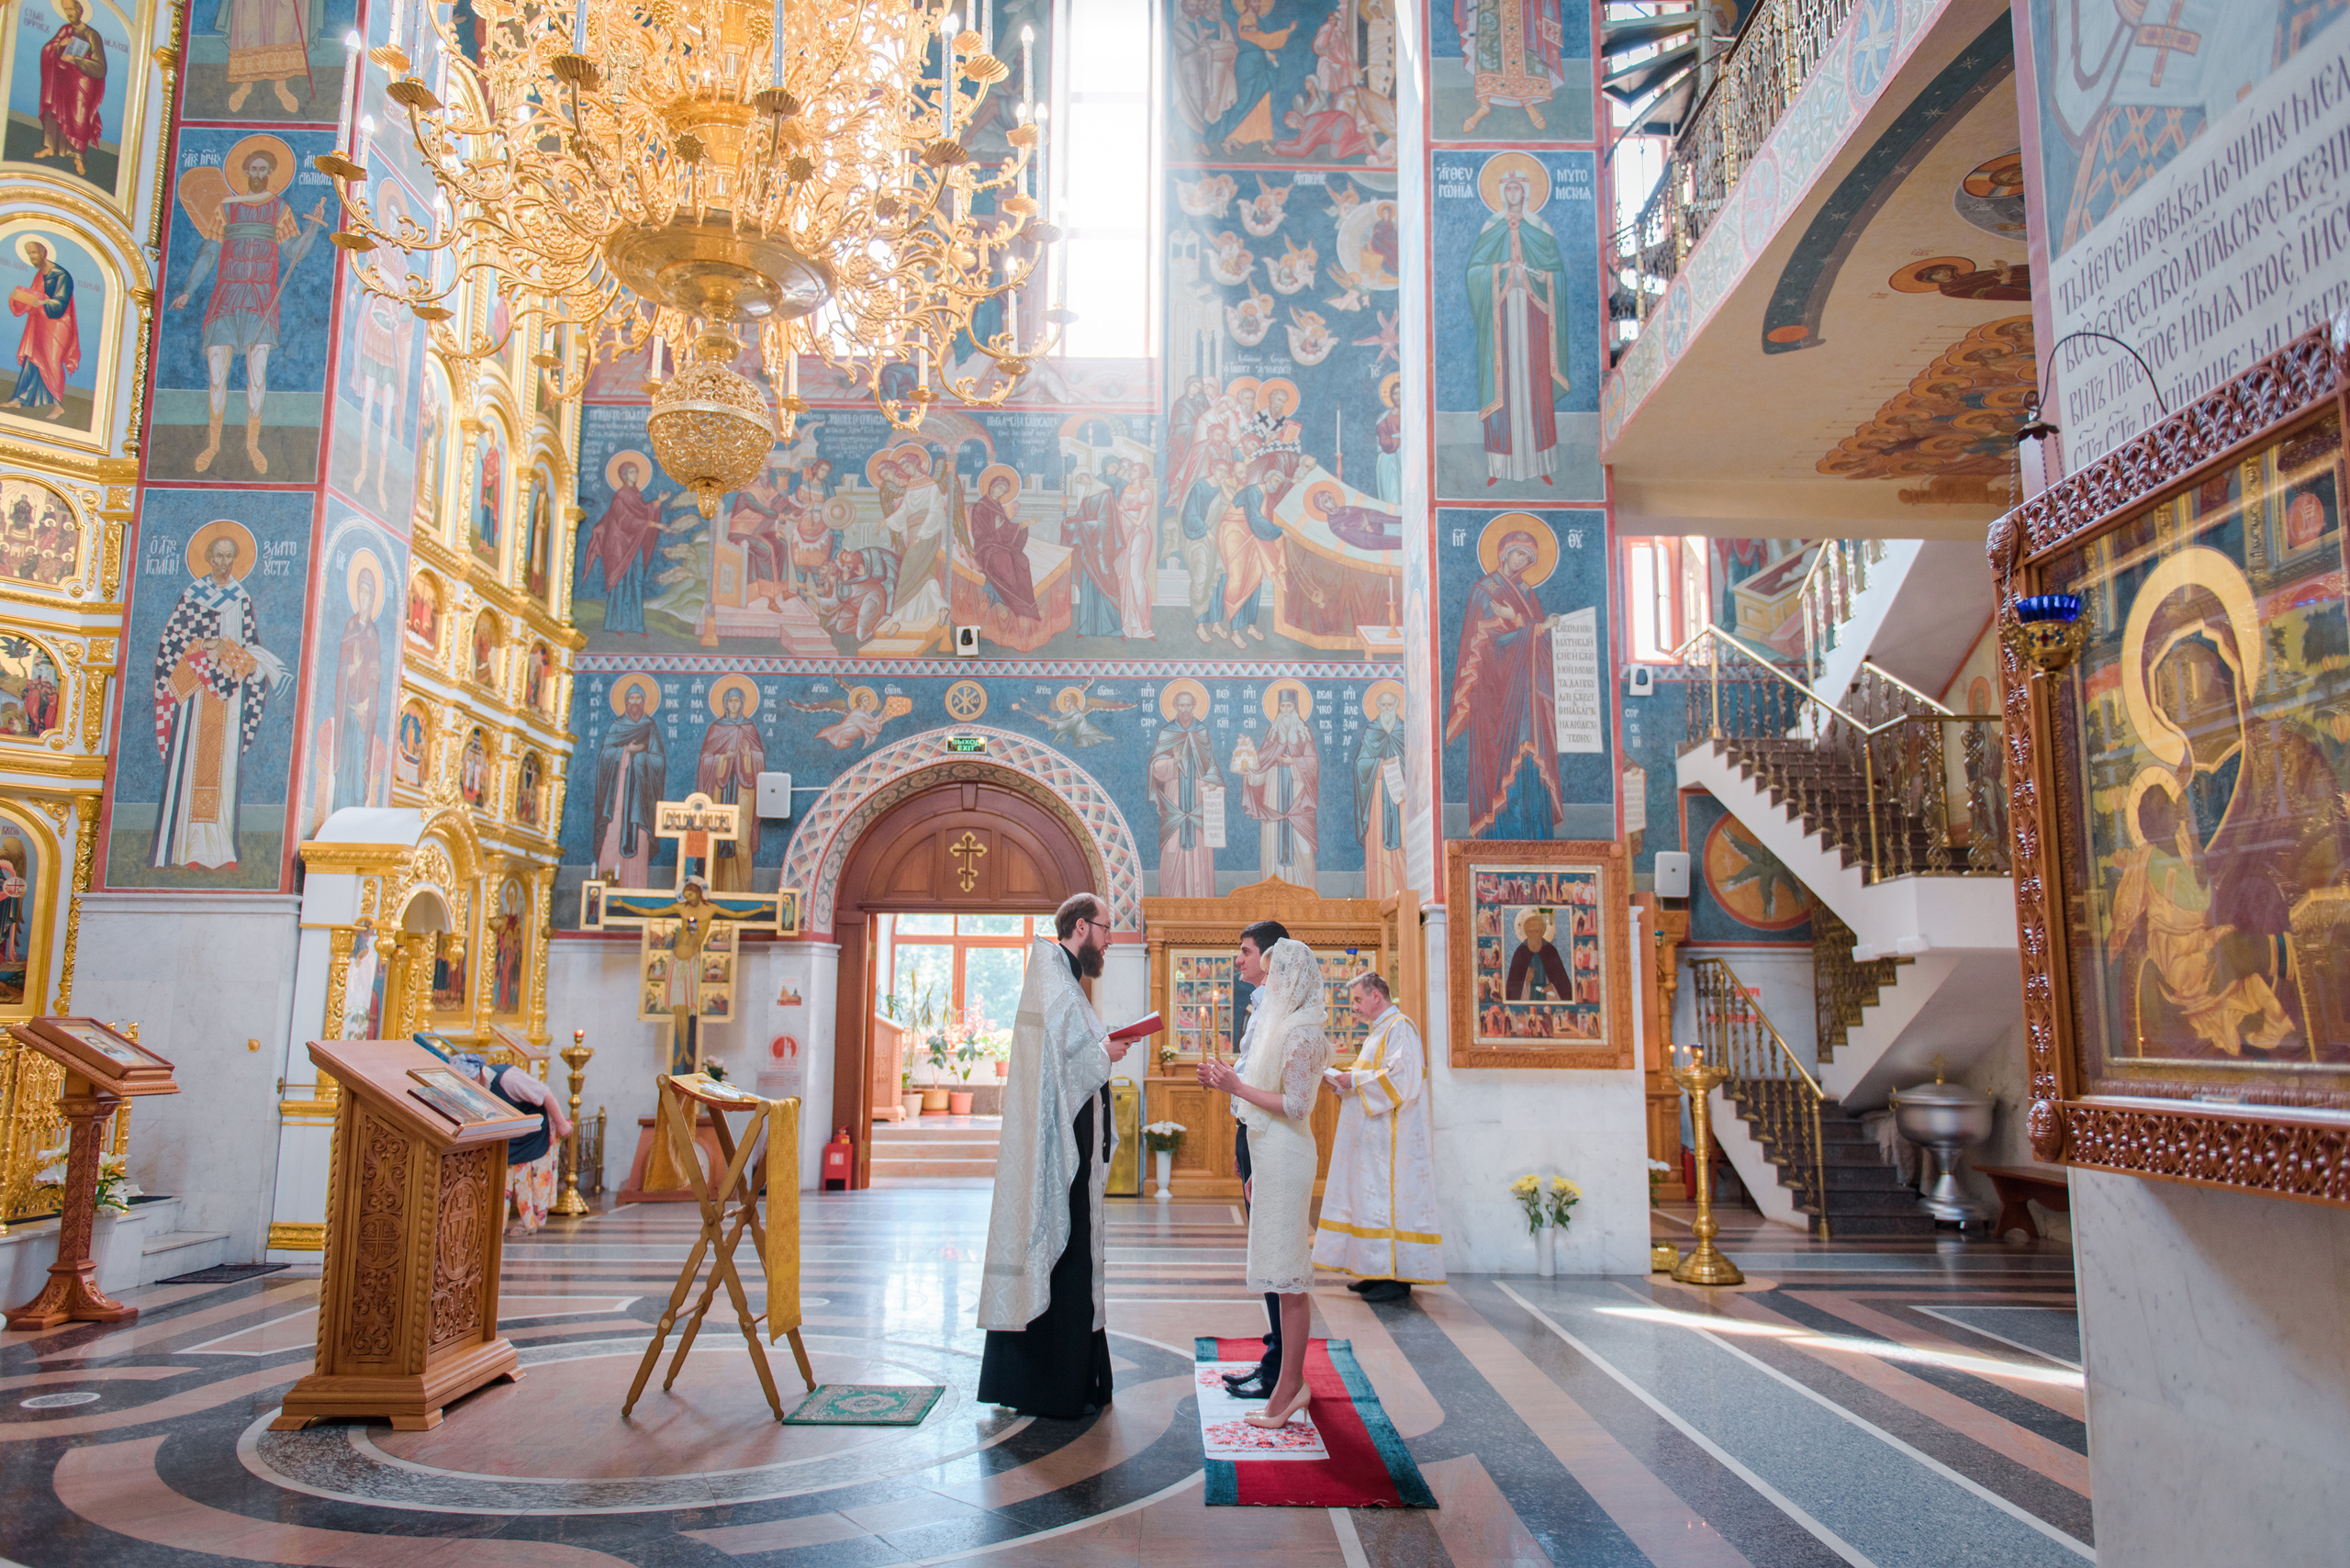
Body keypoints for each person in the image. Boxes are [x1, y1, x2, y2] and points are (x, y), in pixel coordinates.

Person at [977, 892, 1138, 1418]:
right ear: (1080, 927)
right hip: (1058, 1154)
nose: (1111, 938)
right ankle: (1051, 1385)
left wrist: (1100, 1049)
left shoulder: (1065, 981)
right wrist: (1103, 1054)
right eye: (1106, 929)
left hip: (1073, 1147)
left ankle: (1078, 1379)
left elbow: (1065, 1060)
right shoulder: (1056, 982)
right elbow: (1063, 1072)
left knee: (1077, 1254)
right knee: (1064, 1254)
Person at [1197, 935, 1329, 1428]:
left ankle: (1290, 1388)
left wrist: (1236, 1085)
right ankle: (1286, 1383)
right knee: (1278, 1271)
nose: (1267, 983)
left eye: (1274, 974)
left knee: (1290, 1276)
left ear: (1292, 978)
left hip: (1288, 1151)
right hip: (1269, 1152)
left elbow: (1297, 1106)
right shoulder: (1281, 1026)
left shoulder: (1304, 1032)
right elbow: (1265, 1093)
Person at [1314, 972, 1442, 1303]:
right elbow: (1373, 1077)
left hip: (1392, 1142)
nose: (1353, 1007)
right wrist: (1347, 1080)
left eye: (1357, 999)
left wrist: (1352, 1081)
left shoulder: (1400, 1027)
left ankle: (1395, 1278)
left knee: (1386, 1204)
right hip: (1374, 1140)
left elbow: (1402, 1080)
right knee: (1369, 1204)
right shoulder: (1379, 1032)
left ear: (1376, 996)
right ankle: (1374, 1270)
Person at [1212, 918, 1289, 1399]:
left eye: (1244, 950)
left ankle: (1280, 1366)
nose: (1238, 959)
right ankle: (1273, 1354)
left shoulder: (1282, 1013)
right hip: (1253, 1132)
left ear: (1269, 957)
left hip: (1272, 1139)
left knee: (1275, 1254)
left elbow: (1277, 1086)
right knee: (1265, 1252)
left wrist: (1235, 1084)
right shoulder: (1258, 1005)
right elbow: (1249, 1070)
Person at [454, 1052, 573, 1238]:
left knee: (530, 1180)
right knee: (503, 1180)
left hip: (534, 1131)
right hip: (511, 1134)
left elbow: (545, 1093)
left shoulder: (508, 1079)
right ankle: (494, 1226)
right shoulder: (477, 1085)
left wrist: (561, 1123)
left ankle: (528, 1223)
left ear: (476, 1077)